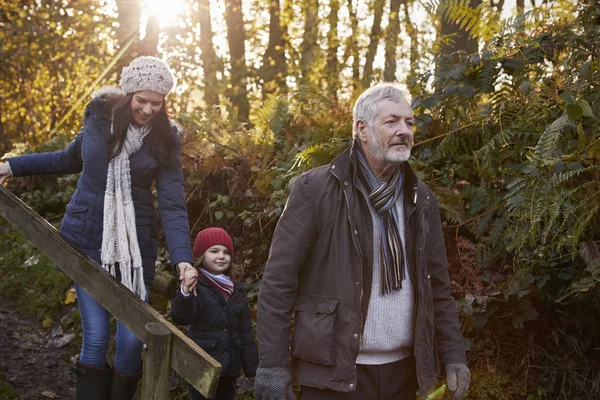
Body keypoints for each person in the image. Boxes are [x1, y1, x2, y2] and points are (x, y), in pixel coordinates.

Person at [254, 83, 471, 400]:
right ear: (362, 129)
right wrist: (272, 365)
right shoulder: (315, 190)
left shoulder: (420, 198)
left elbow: (437, 286)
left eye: (409, 123)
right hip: (334, 374)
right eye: (392, 121)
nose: (404, 131)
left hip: (405, 373)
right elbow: (278, 281)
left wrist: (453, 355)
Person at [0, 56, 197, 400]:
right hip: (87, 239)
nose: (149, 109)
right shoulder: (99, 117)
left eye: (157, 102)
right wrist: (11, 166)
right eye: (142, 100)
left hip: (135, 247)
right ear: (128, 93)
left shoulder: (167, 139)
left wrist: (183, 258)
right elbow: (67, 159)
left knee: (133, 339)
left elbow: (172, 203)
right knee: (94, 336)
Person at [172, 227, 259, 400]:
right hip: (202, 365)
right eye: (214, 251)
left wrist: (252, 369)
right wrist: (185, 292)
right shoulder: (196, 286)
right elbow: (181, 317)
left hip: (230, 368)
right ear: (201, 256)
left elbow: (246, 334)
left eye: (226, 252)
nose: (221, 256)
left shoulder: (237, 291)